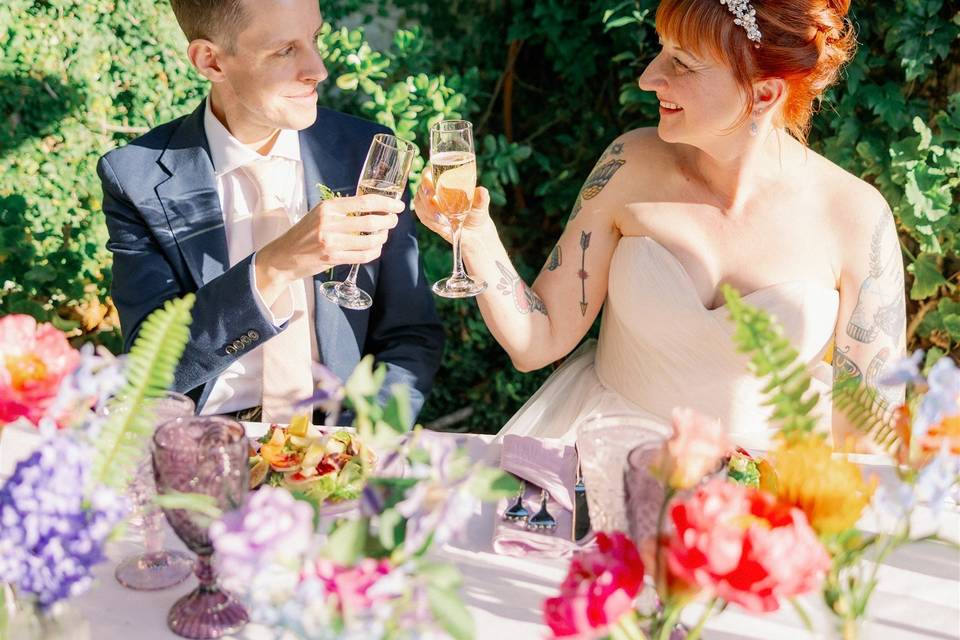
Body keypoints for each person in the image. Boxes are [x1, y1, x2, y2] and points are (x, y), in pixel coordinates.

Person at [415, 0, 905, 449]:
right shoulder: (629, 163)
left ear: (764, 93)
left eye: (683, 64)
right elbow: (536, 341)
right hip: (603, 464)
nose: (650, 77)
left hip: (763, 506)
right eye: (661, 51)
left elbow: (869, 435)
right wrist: (475, 236)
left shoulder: (857, 219)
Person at [99, 0, 443, 424]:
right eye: (285, 50)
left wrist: (368, 439)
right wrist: (274, 266)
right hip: (203, 439)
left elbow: (410, 335)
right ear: (211, 62)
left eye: (314, 39)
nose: (318, 69)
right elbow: (151, 373)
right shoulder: (135, 177)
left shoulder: (364, 152)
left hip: (338, 438)